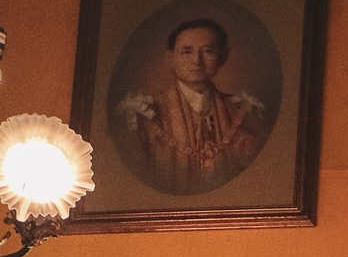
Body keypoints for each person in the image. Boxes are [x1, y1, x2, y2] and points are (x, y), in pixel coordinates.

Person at [116, 17, 272, 195]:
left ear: (223, 56)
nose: (197, 61)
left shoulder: (245, 112)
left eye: (207, 51)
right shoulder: (140, 115)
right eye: (187, 52)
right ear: (170, 58)